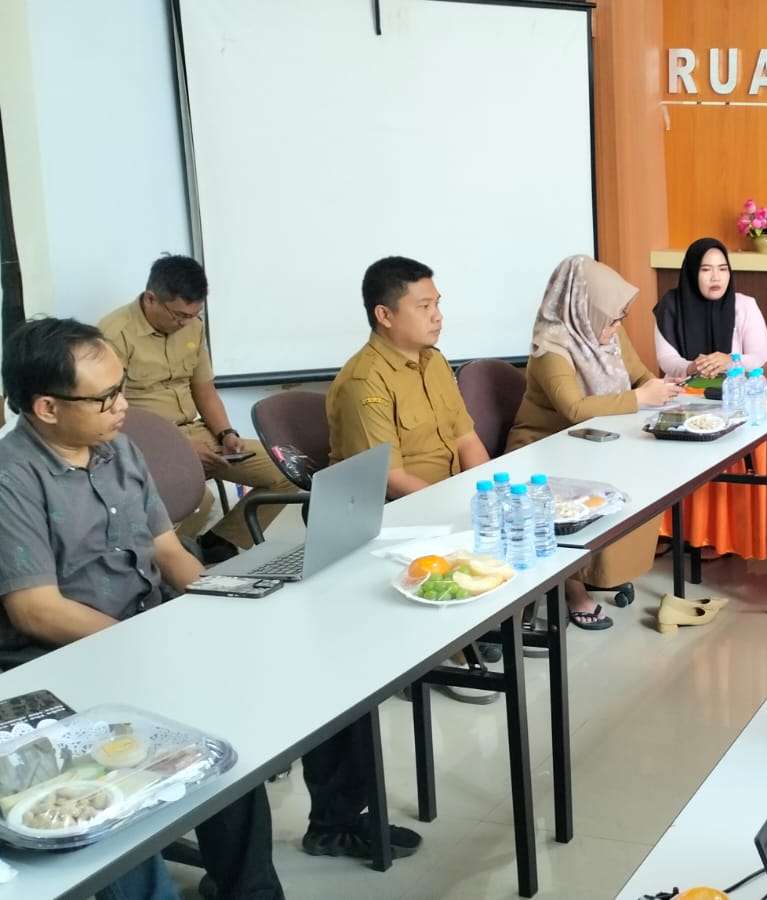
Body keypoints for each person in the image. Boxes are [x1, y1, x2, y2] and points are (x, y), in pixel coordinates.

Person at [0, 318, 429, 898]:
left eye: (121, 389)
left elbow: (167, 551)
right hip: (69, 660)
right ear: (47, 408)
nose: (123, 406)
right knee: (216, 723)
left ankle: (336, 821)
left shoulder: (116, 448)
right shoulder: (12, 478)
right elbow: (37, 610)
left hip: (150, 629)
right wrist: (148, 644)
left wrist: (221, 603)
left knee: (327, 661)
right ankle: (246, 888)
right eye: (105, 398)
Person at [506, 256, 684, 630]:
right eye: (612, 319)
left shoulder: (606, 331)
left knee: (646, 475)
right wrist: (640, 398)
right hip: (544, 449)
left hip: (594, 442)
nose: (617, 327)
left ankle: (603, 570)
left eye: (619, 319)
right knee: (581, 496)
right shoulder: (551, 347)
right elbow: (574, 409)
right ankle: (573, 588)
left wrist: (664, 390)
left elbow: (640, 377)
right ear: (583, 309)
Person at [98, 255, 297, 563]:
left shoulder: (193, 326)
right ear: (151, 298)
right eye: (179, 315)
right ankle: (161, 565)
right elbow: (112, 415)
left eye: (193, 315)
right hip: (147, 444)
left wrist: (226, 433)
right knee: (196, 498)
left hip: (197, 433)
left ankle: (220, 543)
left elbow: (203, 389)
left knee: (287, 469)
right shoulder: (113, 335)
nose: (185, 323)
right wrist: (179, 450)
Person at [327, 256, 491, 499]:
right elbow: (391, 481)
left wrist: (488, 496)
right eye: (424, 307)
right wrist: (453, 507)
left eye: (436, 304)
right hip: (403, 509)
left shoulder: (435, 361)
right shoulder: (364, 381)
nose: (437, 316)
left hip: (453, 499)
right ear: (384, 315)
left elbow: (466, 440)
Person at [653, 237, 767, 379]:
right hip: (683, 387)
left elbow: (762, 358)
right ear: (692, 272)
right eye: (705, 269)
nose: (716, 277)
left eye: (722, 269)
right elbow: (666, 358)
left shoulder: (745, 305)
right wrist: (691, 367)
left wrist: (731, 361)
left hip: (736, 388)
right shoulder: (671, 305)